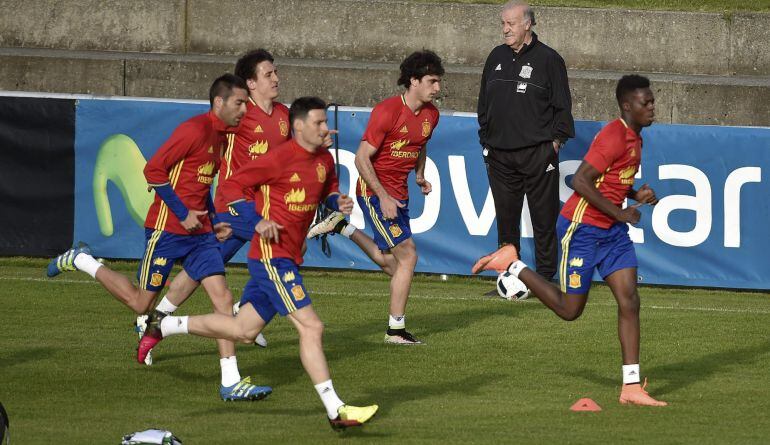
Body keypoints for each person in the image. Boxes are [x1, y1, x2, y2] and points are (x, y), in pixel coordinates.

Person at [137, 97, 379, 429]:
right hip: (271, 258)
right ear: (298, 127)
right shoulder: (277, 159)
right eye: (319, 123)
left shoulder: (324, 159)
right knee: (312, 327)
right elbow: (232, 188)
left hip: (290, 258)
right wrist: (256, 221)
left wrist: (338, 200)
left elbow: (328, 190)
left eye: (326, 122)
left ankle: (164, 325)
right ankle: (336, 410)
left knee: (244, 331)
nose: (326, 129)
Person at [47, 74, 271, 402]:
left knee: (222, 299)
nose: (244, 110)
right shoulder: (194, 130)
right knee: (141, 303)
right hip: (167, 230)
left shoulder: (224, 136)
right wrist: (182, 214)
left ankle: (230, 380)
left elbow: (201, 183)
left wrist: (213, 219)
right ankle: (82, 260)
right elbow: (153, 170)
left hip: (201, 233)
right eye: (239, 103)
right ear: (219, 103)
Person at [473, 75, 667, 407]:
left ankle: (631, 388)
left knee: (630, 300)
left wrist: (636, 193)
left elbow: (612, 180)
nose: (651, 107)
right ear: (626, 105)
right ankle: (513, 264)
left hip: (611, 235)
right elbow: (580, 180)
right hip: (583, 229)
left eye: (651, 101)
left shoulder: (636, 138)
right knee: (570, 310)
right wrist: (620, 214)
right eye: (645, 102)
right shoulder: (613, 136)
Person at [138, 49, 289, 356]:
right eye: (268, 74)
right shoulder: (238, 119)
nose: (276, 78)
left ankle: (158, 320)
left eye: (275, 72)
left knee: (201, 270)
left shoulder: (284, 115)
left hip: (261, 209)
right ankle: (245, 316)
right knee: (277, 251)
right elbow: (202, 141)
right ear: (250, 83)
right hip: (235, 208)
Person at [308, 51, 443, 345]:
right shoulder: (388, 111)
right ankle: (395, 331)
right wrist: (382, 195)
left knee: (393, 265)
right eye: (432, 81)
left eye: (438, 82)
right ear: (414, 81)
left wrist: (419, 175)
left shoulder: (432, 115)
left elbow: (420, 145)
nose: (437, 88)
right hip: (374, 192)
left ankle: (343, 227)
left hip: (400, 193)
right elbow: (360, 158)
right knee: (408, 255)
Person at [477, 0, 574, 282]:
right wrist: (486, 141)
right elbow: (483, 105)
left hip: (537, 154)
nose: (505, 30)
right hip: (499, 156)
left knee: (543, 221)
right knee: (506, 224)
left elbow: (562, 109)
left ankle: (545, 280)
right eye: (503, 24)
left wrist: (553, 144)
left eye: (511, 24)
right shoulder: (495, 56)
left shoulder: (549, 60)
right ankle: (507, 280)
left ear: (527, 24)